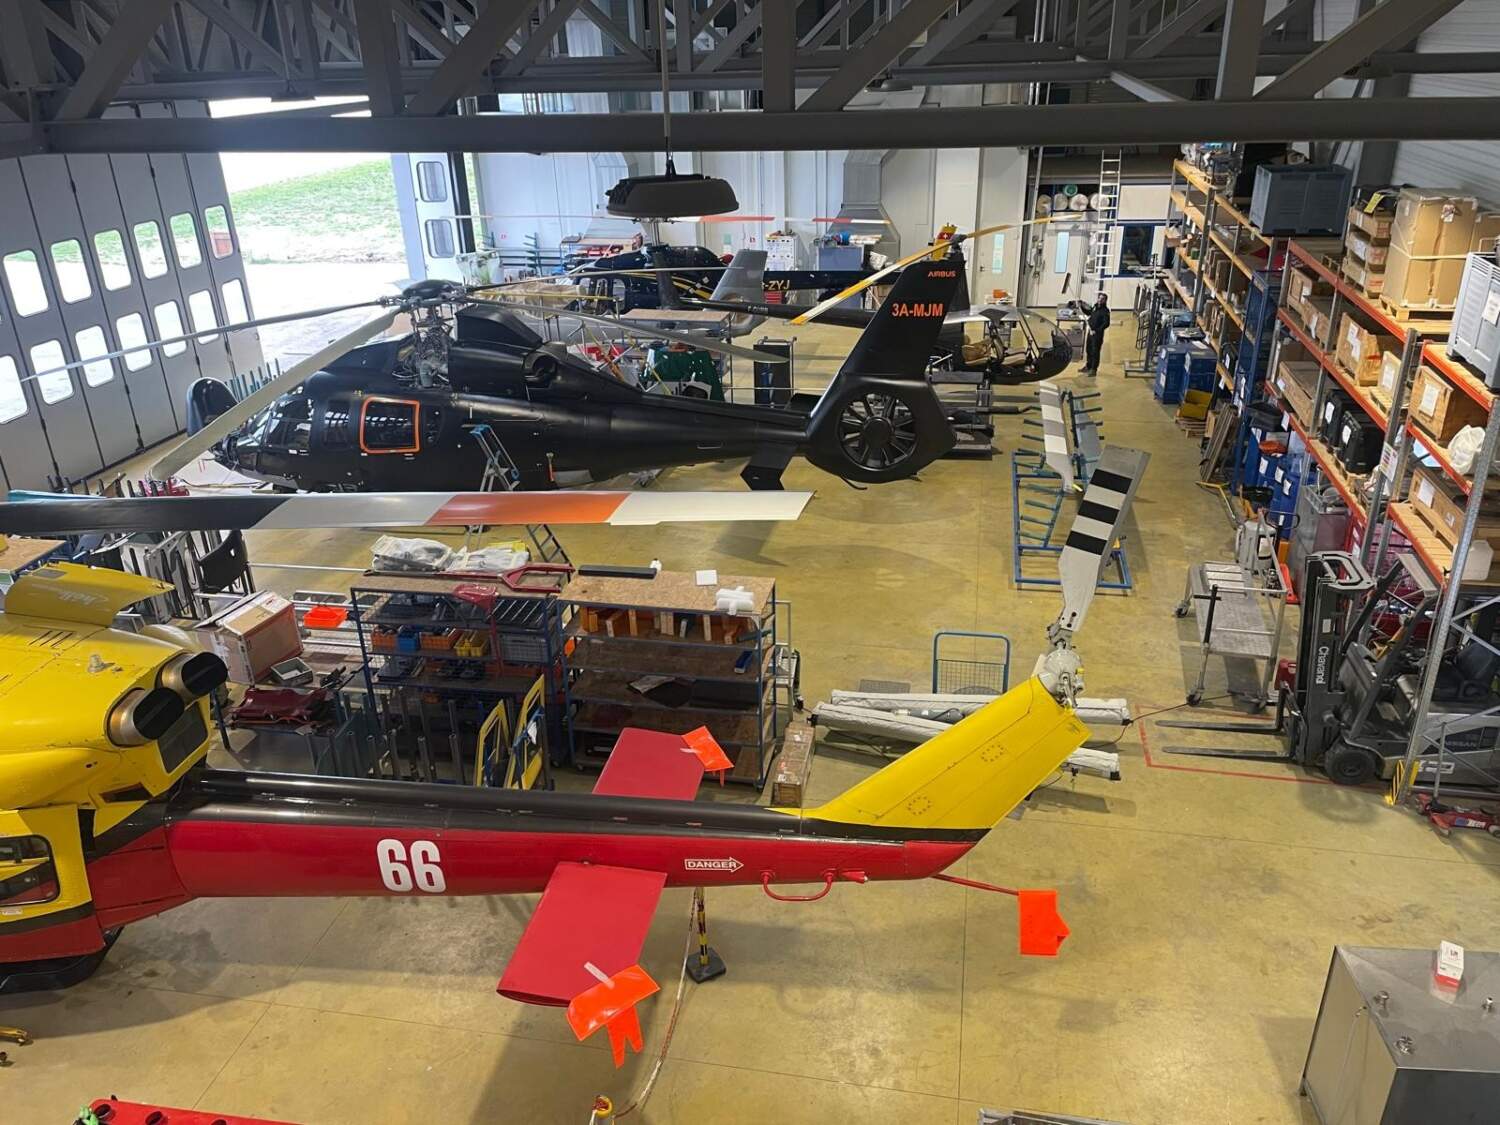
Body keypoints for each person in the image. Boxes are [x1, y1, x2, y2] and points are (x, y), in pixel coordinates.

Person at [1082, 291, 1110, 376]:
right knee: (1088, 350)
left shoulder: (1105, 311)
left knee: (1095, 352)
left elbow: (1106, 323)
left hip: (1097, 335)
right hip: (1090, 332)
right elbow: (1089, 312)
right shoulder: (1095, 306)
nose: (1100, 300)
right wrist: (1081, 307)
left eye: (1102, 299)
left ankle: (1093, 369)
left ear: (1105, 301)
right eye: (1099, 298)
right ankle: (1088, 366)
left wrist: (1097, 331)